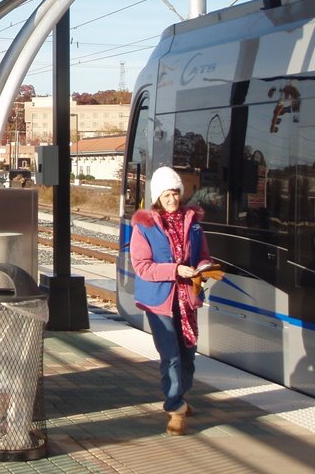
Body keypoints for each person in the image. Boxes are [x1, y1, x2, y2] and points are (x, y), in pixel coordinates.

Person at [130, 166, 216, 436]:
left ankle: (180, 393)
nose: (172, 199)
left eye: (176, 193)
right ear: (157, 196)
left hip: (187, 299)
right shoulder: (144, 226)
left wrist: (203, 267)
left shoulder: (193, 223)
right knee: (171, 357)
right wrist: (175, 270)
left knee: (188, 354)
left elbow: (202, 254)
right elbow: (142, 267)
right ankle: (175, 407)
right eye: (167, 194)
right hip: (159, 302)